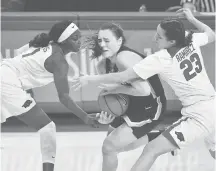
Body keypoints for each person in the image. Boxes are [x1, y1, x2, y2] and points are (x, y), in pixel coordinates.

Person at [72, 8, 216, 170]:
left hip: (197, 114)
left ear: (172, 42)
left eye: (159, 36)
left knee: (149, 150)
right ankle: (155, 136)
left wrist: (89, 79)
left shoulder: (161, 59)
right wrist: (192, 19)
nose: (155, 39)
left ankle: (157, 137)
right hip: (213, 104)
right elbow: (211, 34)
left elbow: (124, 78)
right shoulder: (191, 39)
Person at [1, 20, 99, 171]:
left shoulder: (44, 44)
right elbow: (64, 97)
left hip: (4, 72)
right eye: (75, 39)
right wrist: (85, 117)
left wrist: (26, 87)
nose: (79, 42)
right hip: (7, 83)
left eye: (79, 37)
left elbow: (19, 53)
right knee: (47, 128)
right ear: (63, 41)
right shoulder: (59, 61)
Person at [80, 22, 167, 171]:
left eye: (107, 40)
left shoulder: (124, 57)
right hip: (132, 103)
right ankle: (159, 136)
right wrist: (107, 116)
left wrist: (114, 89)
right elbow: (116, 97)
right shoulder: (102, 65)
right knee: (114, 146)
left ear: (119, 41)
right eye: (100, 40)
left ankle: (160, 137)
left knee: (109, 146)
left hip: (150, 105)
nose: (102, 44)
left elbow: (144, 90)